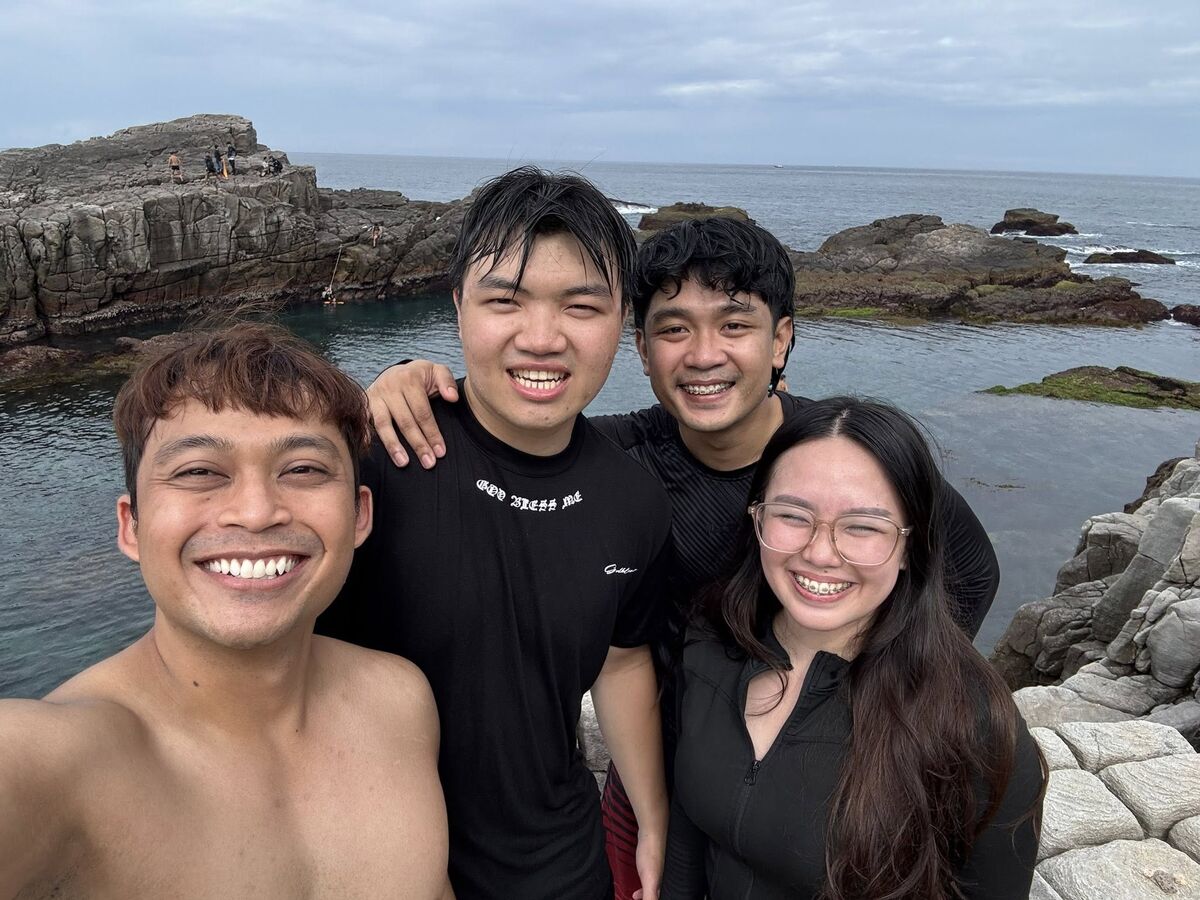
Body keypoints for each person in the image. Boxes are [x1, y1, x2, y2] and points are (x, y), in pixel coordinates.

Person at [365, 217, 1001, 898]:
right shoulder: (625, 466)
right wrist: (405, 381)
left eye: (734, 325)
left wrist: (867, 693)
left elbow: (968, 569)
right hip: (664, 768)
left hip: (824, 772)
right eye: (673, 329)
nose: (703, 355)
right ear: (641, 348)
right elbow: (523, 439)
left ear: (780, 339)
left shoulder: (841, 460)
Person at [0, 323, 454, 899]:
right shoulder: (56, 762)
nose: (256, 512)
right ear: (132, 526)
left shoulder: (401, 701)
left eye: (304, 469)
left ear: (360, 515)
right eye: (199, 472)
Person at [317, 167, 672, 900]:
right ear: (457, 306)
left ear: (623, 320)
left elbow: (622, 661)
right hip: (379, 865)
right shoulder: (378, 460)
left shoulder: (633, 501)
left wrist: (652, 816)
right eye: (505, 301)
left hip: (561, 863)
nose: (541, 339)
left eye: (582, 306)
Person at [662, 397, 1044, 899]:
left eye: (863, 526)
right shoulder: (710, 642)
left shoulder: (974, 723)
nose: (820, 553)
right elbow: (689, 831)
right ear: (757, 518)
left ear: (910, 546)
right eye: (792, 515)